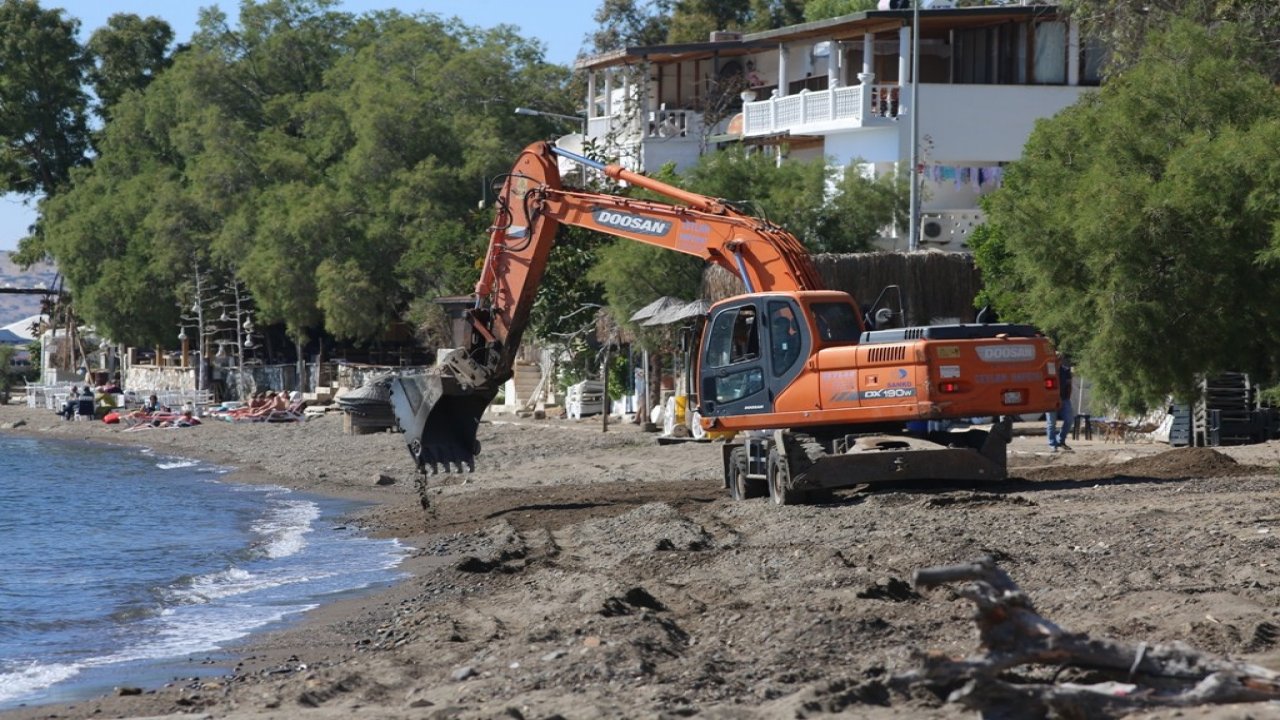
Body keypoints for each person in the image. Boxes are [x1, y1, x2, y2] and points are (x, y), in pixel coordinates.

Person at [1047, 355, 1074, 451]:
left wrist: (1067, 397)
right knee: (1051, 423)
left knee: (1069, 420)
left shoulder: (1065, 371)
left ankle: (1060, 440)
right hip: (1051, 399)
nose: (1058, 360)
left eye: (1059, 359)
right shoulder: (1047, 370)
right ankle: (1052, 443)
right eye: (1056, 358)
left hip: (1064, 398)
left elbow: (1069, 384)